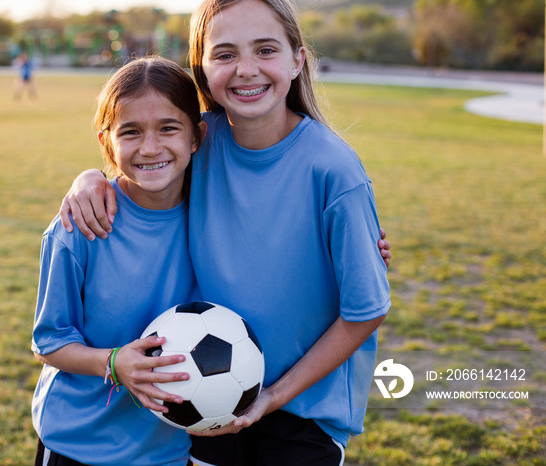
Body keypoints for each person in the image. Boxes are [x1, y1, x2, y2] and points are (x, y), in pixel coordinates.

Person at [57, 1, 392, 465]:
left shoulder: (333, 170)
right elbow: (142, 159)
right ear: (202, 70)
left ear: (297, 59)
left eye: (266, 50)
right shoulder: (200, 141)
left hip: (304, 411)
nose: (246, 70)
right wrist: (89, 178)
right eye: (225, 54)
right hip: (208, 398)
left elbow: (365, 311)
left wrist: (274, 395)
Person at [31, 56, 208, 466]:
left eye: (168, 128)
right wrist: (112, 362)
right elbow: (49, 341)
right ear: (106, 142)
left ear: (197, 135)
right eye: (131, 132)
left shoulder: (214, 215)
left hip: (166, 451)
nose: (150, 147)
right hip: (78, 446)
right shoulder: (79, 227)